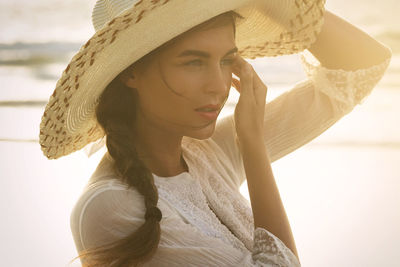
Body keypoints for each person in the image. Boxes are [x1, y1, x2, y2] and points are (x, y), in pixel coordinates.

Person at [39, 0, 392, 266]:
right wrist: (253, 146)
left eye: (226, 60)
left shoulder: (207, 153)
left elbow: (361, 66)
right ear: (131, 72)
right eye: (193, 62)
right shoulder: (110, 206)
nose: (219, 85)